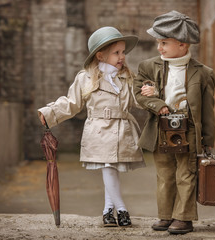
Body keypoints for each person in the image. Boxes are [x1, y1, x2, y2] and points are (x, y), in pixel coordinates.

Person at [38, 26, 145, 227]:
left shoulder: (128, 77)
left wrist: (152, 95)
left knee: (111, 169)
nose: (122, 57)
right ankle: (121, 209)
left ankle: (107, 212)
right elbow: (72, 103)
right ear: (101, 55)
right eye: (116, 53)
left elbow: (138, 100)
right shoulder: (86, 77)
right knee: (108, 167)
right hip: (99, 129)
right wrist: (49, 112)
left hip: (122, 130)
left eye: (123, 52)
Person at [133, 11, 215, 234]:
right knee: (164, 173)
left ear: (182, 45)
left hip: (188, 128)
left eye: (164, 43)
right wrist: (157, 102)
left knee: (186, 173)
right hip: (161, 128)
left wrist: (207, 141)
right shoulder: (148, 67)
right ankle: (165, 215)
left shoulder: (203, 73)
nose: (159, 47)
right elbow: (139, 93)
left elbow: (208, 111)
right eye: (158, 42)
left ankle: (184, 218)